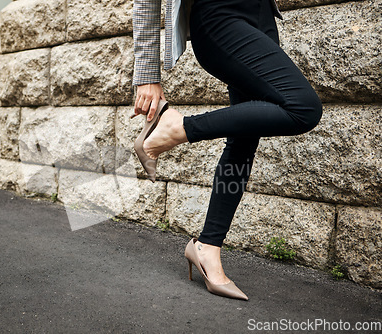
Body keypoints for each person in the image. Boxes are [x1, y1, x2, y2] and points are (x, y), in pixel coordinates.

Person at [131, 0, 323, 300]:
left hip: (260, 15)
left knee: (245, 136)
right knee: (303, 108)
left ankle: (207, 247)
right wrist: (147, 74)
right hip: (219, 14)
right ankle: (178, 128)